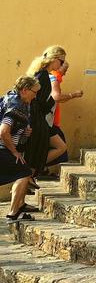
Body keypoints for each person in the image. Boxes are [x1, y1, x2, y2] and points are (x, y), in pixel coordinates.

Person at [26, 45, 73, 173]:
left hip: (39, 121)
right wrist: (52, 101)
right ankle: (31, 171)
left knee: (58, 148)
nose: (62, 64)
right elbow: (38, 102)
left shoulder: (41, 74)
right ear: (54, 59)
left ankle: (31, 172)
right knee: (58, 148)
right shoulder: (43, 76)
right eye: (61, 61)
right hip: (39, 122)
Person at [1, 76, 40, 222]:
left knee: (22, 172)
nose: (35, 96)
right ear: (24, 90)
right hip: (3, 149)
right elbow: (4, 131)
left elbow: (11, 128)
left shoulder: (11, 99)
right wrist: (14, 151)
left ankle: (17, 209)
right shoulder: (15, 106)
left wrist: (24, 132)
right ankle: (13, 213)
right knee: (23, 173)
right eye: (34, 92)